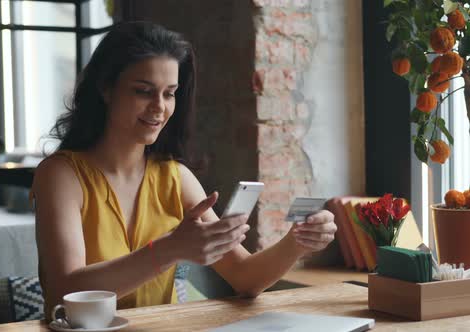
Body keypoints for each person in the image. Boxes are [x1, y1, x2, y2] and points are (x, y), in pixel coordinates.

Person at [31, 21, 336, 321]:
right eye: (143, 91)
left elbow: (245, 277)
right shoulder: (61, 175)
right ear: (105, 88)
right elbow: (64, 292)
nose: (159, 108)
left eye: (169, 93)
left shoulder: (174, 177)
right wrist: (169, 249)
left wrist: (297, 242)